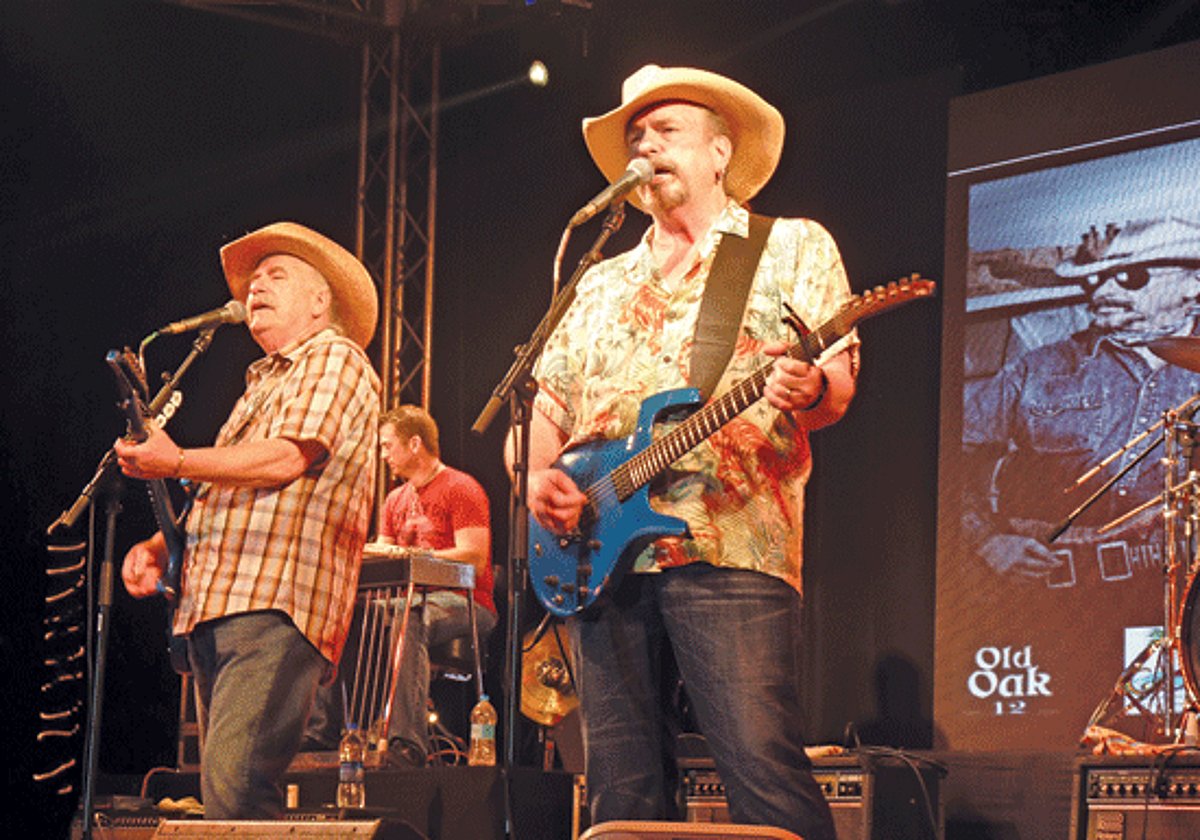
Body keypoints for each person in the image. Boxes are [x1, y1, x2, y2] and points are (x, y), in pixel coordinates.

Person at [515, 65, 859, 839]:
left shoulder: (789, 245)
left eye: (666, 130)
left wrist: (810, 388)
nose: (645, 144)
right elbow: (548, 405)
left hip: (729, 539)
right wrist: (539, 478)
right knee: (620, 786)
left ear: (719, 153)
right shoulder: (598, 282)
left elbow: (836, 381)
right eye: (636, 135)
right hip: (596, 553)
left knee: (760, 768)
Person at [115, 222, 381, 819]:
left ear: (320, 303)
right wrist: (163, 543)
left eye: (276, 276)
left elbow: (288, 456)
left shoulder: (335, 356)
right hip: (223, 599)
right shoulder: (263, 383)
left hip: (273, 598)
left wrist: (177, 459)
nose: (255, 288)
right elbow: (230, 488)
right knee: (224, 796)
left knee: (238, 790)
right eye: (252, 281)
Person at [963, 216, 1200, 583]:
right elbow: (949, 455)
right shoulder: (1039, 368)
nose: (1102, 292)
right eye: (1092, 277)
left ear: (1193, 281)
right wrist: (988, 541)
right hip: (1052, 589)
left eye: (1130, 276)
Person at [303, 405, 496, 766]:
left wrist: (411, 555)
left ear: (415, 444)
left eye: (387, 445)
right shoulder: (395, 500)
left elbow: (475, 557)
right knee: (345, 617)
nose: (382, 454)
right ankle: (324, 729)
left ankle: (407, 743)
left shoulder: (461, 488)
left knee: (410, 619)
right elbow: (387, 557)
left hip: (467, 604)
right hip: (410, 598)